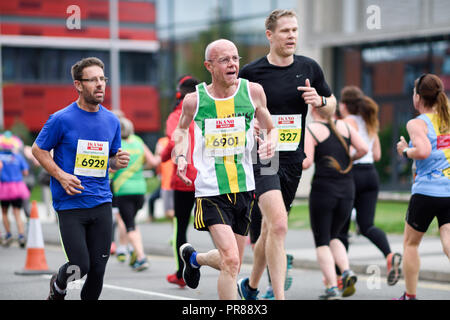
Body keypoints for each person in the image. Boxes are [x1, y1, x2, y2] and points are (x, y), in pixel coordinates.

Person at [237, 9, 336, 300]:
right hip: (264, 156)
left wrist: (320, 100)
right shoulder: (251, 74)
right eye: (285, 31)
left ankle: (251, 286)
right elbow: (235, 111)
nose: (292, 35)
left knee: (270, 229)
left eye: (294, 30)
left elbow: (331, 107)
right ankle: (278, 296)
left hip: (292, 159)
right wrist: (250, 122)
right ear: (270, 35)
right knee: (279, 224)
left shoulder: (309, 68)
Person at [173, 39, 277, 300]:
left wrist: (270, 144)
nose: (232, 64)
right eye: (224, 60)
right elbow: (181, 130)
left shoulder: (253, 92)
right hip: (210, 189)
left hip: (244, 186)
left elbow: (271, 128)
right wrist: (181, 156)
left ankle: (194, 259)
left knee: (233, 261)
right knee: (231, 259)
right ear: (209, 66)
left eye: (235, 58)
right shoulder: (194, 100)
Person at [32, 57, 130, 300]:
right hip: (71, 203)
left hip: (101, 201)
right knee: (81, 265)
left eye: (102, 79)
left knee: (98, 271)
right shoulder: (61, 119)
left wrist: (116, 162)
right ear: (78, 85)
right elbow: (38, 150)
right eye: (93, 80)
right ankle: (59, 285)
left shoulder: (111, 121)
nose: (100, 85)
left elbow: (108, 161)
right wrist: (61, 175)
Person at [303, 103, 368, 299]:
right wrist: (349, 159)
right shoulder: (346, 127)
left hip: (324, 191)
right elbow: (363, 149)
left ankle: (331, 286)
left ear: (313, 110)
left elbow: (306, 163)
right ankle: (346, 271)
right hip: (347, 189)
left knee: (322, 240)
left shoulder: (312, 130)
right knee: (336, 235)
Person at [339, 86, 402, 286]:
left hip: (353, 174)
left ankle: (342, 277)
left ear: (344, 105)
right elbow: (376, 156)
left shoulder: (346, 123)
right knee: (367, 225)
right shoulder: (370, 122)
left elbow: (344, 151)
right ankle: (389, 255)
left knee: (341, 228)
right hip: (371, 175)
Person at [395, 73, 450, 300]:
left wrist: (405, 150)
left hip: (427, 192)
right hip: (449, 190)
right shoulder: (447, 118)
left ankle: (410, 295)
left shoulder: (417, 123)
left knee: (410, 244)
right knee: (447, 238)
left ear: (418, 97)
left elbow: (424, 150)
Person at [160, 75, 200, 287]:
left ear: (179, 94)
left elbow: (174, 141)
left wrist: (162, 157)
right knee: (215, 225)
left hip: (183, 180)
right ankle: (229, 262)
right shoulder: (207, 112)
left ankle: (181, 274)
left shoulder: (176, 116)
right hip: (207, 179)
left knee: (181, 227)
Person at [111, 117, 160, 271]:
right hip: (140, 189)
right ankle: (129, 249)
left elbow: (111, 168)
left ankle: (141, 257)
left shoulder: (117, 145)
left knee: (129, 224)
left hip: (123, 190)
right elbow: (152, 162)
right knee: (129, 221)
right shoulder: (138, 141)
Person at [0, 132, 30, 248]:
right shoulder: (18, 156)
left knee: (4, 212)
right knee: (17, 213)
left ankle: (8, 235)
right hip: (17, 187)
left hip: (4, 188)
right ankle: (21, 236)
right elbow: (25, 172)